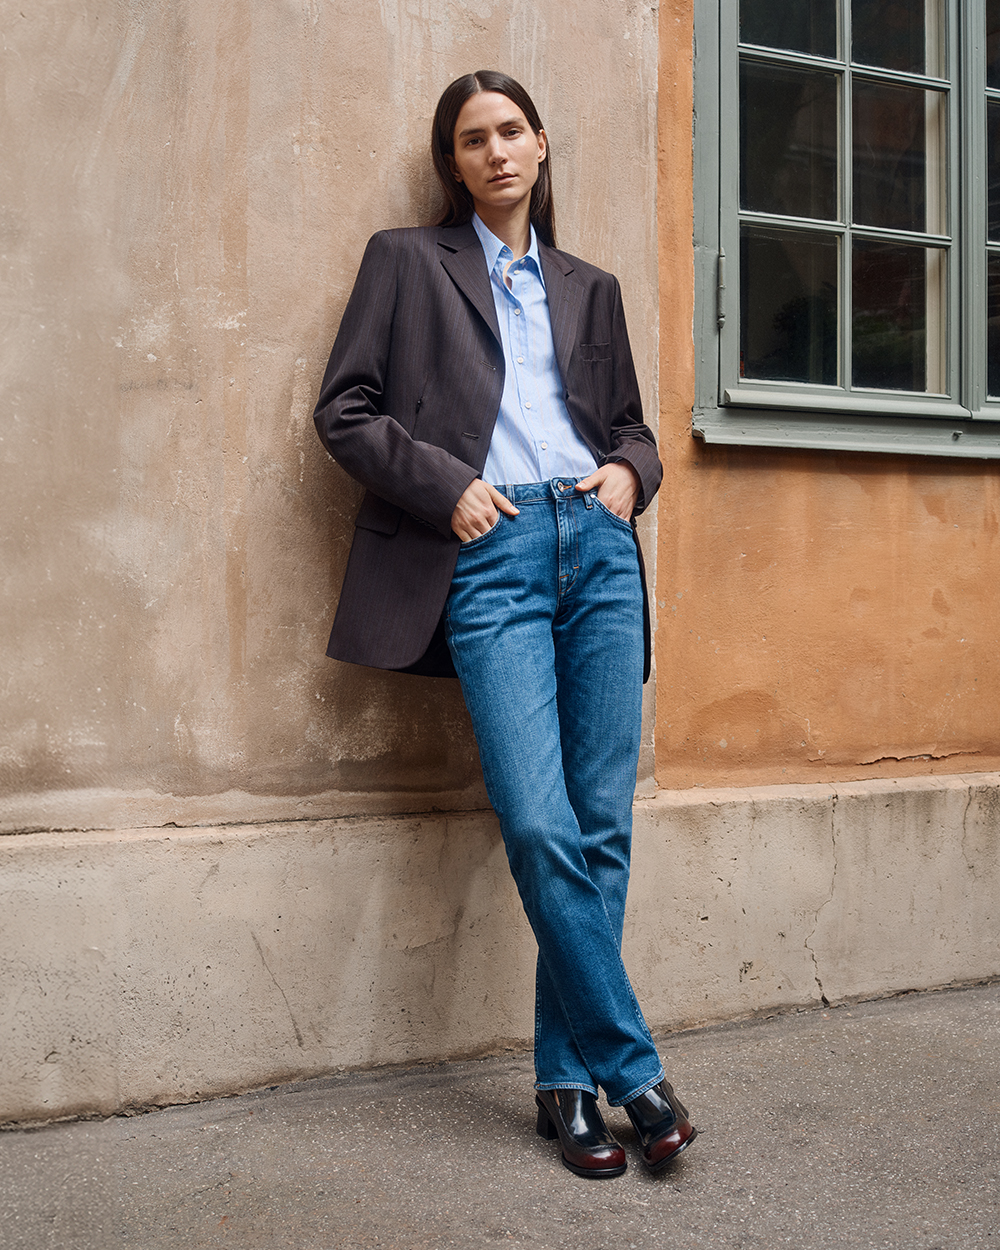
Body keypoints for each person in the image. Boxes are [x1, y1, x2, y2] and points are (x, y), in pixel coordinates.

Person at [313, 70, 696, 1178]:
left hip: (600, 546)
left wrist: (629, 473)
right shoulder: (406, 262)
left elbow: (629, 426)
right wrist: (444, 484)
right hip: (489, 556)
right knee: (538, 822)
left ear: (540, 143)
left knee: (600, 826)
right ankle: (633, 1070)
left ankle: (566, 1088)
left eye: (512, 131)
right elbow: (344, 408)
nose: (496, 153)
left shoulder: (591, 285)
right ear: (453, 161)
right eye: (472, 139)